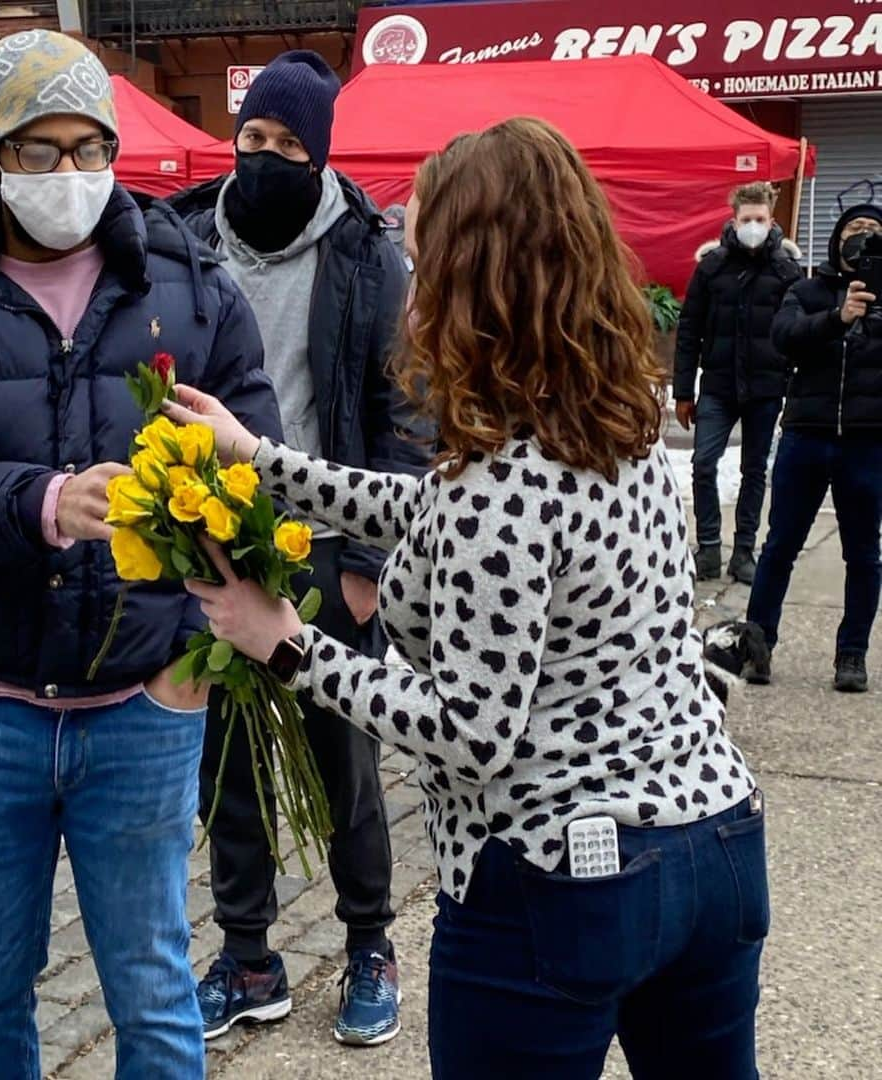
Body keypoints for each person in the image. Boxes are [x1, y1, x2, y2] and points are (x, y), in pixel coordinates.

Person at [163, 118, 768, 1079]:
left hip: (560, 877)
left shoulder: (502, 479)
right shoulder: (613, 425)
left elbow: (469, 729)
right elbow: (446, 513)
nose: (410, 294)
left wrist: (285, 643)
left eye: (422, 264)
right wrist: (259, 460)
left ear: (471, 282)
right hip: (717, 843)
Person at [0, 30, 280, 1079]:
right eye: (41, 151)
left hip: (141, 707)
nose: (71, 175)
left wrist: (198, 653)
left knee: (155, 990)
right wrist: (42, 501)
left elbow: (259, 468)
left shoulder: (189, 282)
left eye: (92, 146)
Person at [171, 50, 425, 1047]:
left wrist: (363, 566)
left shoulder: (368, 251)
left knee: (343, 759)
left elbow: (403, 410)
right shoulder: (184, 237)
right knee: (225, 764)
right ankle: (248, 954)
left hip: (324, 548)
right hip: (213, 546)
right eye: (254, 137)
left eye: (288, 143)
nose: (265, 155)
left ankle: (369, 940)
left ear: (319, 153)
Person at [747, 204, 882, 693]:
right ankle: (757, 645)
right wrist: (838, 317)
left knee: (865, 553)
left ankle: (852, 654)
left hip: (867, 442)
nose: (862, 239)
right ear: (836, 238)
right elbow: (783, 337)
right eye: (854, 229)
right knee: (780, 544)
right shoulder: (804, 290)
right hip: (807, 434)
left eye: (872, 231)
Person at [674, 181, 803, 585]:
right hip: (717, 385)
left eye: (760, 220)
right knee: (703, 464)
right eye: (746, 219)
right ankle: (708, 547)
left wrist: (793, 387)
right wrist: (682, 390)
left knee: (754, 472)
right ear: (734, 220)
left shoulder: (786, 269)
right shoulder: (711, 268)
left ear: (771, 220)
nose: (753, 226)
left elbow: (799, 333)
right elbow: (689, 328)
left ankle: (744, 550)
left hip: (766, 389)